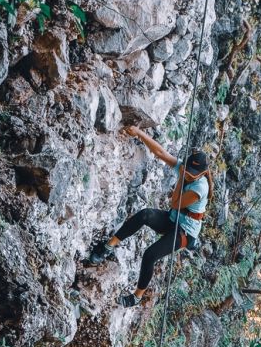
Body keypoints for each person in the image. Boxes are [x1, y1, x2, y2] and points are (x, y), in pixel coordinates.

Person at [89, 125, 213, 307]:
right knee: (145, 215)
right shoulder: (185, 170)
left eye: (193, 174)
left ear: (202, 174)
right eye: (187, 170)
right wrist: (139, 133)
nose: (189, 175)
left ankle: (136, 297)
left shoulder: (200, 188)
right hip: (173, 219)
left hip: (184, 232)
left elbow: (175, 202)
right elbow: (161, 152)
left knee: (150, 255)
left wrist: (181, 176)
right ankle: (108, 247)